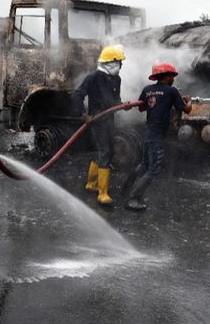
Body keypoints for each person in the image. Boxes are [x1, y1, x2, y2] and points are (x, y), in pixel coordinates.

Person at [125, 62, 192, 211]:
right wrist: (189, 100)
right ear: (166, 76)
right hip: (157, 135)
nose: (173, 78)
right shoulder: (172, 91)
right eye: (172, 76)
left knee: (145, 164)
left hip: (148, 132)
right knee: (153, 169)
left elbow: (142, 108)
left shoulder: (147, 90)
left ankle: (127, 188)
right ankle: (132, 199)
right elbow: (187, 110)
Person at [73, 45, 126, 205]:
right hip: (97, 121)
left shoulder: (116, 79)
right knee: (105, 152)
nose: (121, 66)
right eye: (119, 62)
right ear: (110, 62)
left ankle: (91, 184)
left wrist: (123, 105)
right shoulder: (93, 77)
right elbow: (78, 94)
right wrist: (84, 115)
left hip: (109, 119)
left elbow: (115, 99)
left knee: (106, 152)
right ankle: (102, 193)